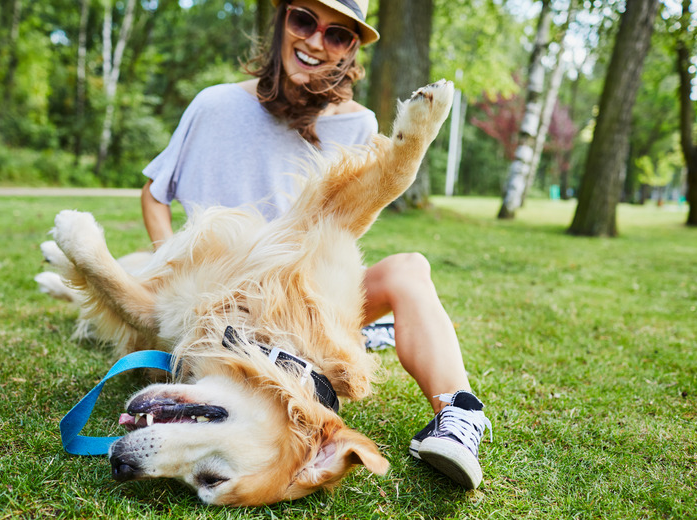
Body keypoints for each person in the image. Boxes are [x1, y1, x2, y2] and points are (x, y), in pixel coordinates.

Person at [140, 0, 492, 490]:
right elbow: (155, 195)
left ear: (351, 51)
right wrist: (169, 266)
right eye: (304, 20)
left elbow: (340, 232)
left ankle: (458, 417)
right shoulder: (214, 104)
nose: (314, 42)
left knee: (409, 268)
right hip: (221, 298)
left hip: (302, 296)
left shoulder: (359, 124)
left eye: (338, 35)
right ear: (282, 19)